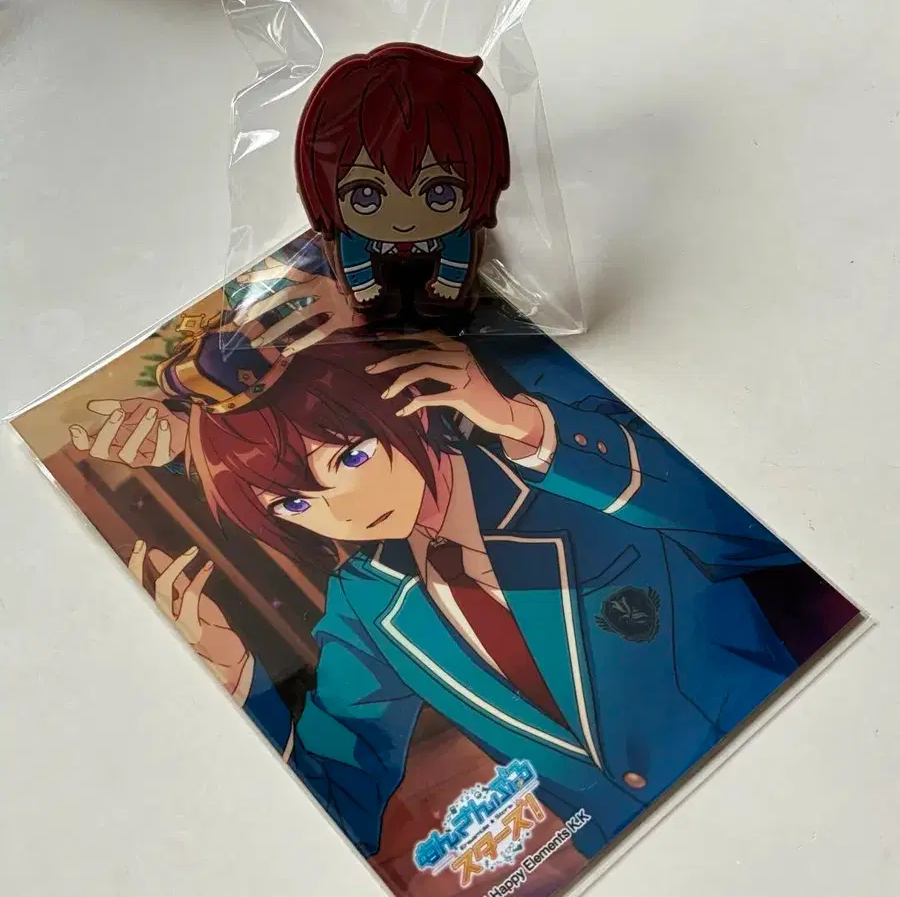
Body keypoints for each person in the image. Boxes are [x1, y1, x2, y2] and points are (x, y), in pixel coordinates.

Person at [104, 323, 803, 862]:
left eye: (351, 457)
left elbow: (758, 531)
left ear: (405, 412)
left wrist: (526, 425)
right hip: (642, 860)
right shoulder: (366, 604)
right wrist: (238, 683)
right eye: (292, 504)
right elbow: (344, 795)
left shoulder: (560, 472)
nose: (341, 510)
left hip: (789, 747)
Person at [296, 43, 510, 319]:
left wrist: (450, 284)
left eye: (439, 192)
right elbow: (352, 253)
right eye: (366, 195)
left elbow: (459, 249)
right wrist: (363, 287)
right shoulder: (351, 235)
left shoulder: (458, 230)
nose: (403, 221)